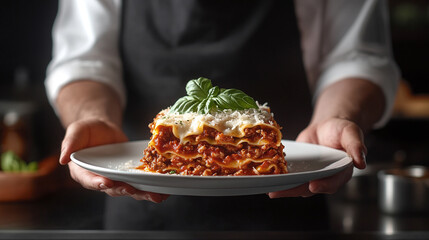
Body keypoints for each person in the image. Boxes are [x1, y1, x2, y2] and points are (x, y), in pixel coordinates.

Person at [45, 0, 399, 205]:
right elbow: (84, 60)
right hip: (141, 203)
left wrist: (336, 117)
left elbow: (358, 57)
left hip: (292, 201)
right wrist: (93, 118)